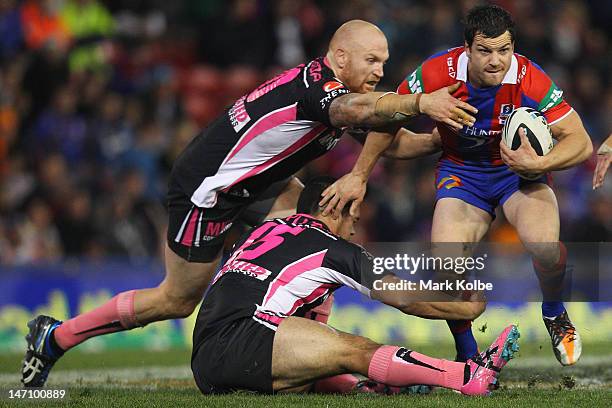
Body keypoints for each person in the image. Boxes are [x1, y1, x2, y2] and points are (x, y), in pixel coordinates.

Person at [22, 20, 479, 387]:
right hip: (210, 190)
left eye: (384, 60)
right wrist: (421, 100)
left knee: (314, 225)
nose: (381, 70)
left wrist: (458, 136)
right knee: (177, 300)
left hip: (262, 184)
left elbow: (394, 142)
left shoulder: (339, 91)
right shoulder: (322, 92)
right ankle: (56, 337)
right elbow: (357, 113)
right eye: (372, 60)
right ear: (340, 57)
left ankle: (304, 344)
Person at [320, 5, 593, 366]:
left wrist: (539, 163)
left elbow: (581, 141)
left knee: (544, 247)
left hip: (519, 175)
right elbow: (387, 118)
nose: (496, 61)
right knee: (446, 263)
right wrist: (359, 174)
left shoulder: (530, 78)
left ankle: (555, 312)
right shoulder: (437, 72)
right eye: (485, 51)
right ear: (467, 48)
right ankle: (468, 356)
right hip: (463, 173)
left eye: (504, 50)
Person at [191, 177, 520, 395]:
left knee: (321, 341)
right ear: (332, 206)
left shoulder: (259, 233)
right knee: (355, 349)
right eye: (353, 213)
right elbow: (404, 297)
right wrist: (465, 307)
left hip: (206, 359)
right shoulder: (331, 247)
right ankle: (465, 377)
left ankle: (369, 388)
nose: (356, 222)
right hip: (246, 338)